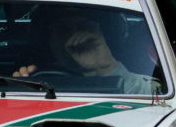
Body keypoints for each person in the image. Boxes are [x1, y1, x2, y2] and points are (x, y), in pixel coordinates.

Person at [13, 15, 157, 94]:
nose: (74, 37)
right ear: (47, 38)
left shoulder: (144, 84)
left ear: (104, 35)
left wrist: (107, 68)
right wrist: (18, 92)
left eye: (84, 27)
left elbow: (155, 99)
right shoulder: (32, 78)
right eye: (63, 30)